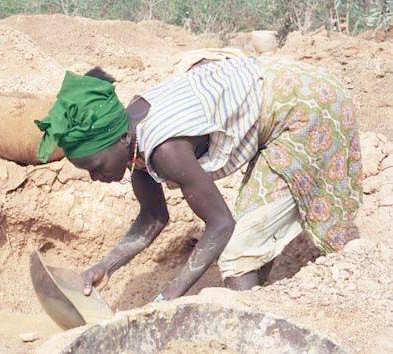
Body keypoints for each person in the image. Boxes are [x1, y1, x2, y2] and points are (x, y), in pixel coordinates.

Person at [35, 55, 362, 301]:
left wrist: (168, 298)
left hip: (306, 108)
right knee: (250, 240)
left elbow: (221, 224)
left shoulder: (165, 149)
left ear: (119, 140)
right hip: (278, 98)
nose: (94, 177)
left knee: (237, 255)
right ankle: (257, 307)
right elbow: (153, 217)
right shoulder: (130, 135)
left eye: (95, 165)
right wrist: (106, 265)